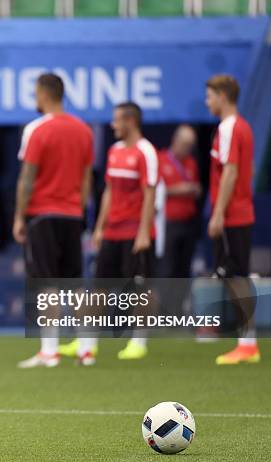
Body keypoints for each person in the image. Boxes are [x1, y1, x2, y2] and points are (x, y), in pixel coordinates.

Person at [13, 73, 94, 368]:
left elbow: (27, 178)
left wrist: (19, 216)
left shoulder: (37, 129)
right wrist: (79, 209)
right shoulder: (84, 130)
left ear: (45, 94)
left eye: (35, 93)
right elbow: (86, 178)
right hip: (72, 214)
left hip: (43, 215)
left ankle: (50, 350)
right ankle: (86, 349)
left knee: (47, 283)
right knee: (75, 283)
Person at [82, 102, 159, 363]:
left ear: (130, 121)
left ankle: (139, 341)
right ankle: (87, 344)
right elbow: (109, 191)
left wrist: (143, 232)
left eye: (117, 120)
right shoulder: (114, 150)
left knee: (138, 288)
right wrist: (100, 226)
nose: (113, 125)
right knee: (99, 287)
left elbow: (150, 194)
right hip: (112, 232)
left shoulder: (146, 152)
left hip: (134, 232)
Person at [205, 74, 259, 365]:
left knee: (235, 276)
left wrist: (218, 213)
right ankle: (246, 341)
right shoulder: (244, 127)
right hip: (240, 211)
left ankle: (247, 342)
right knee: (233, 276)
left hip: (233, 215)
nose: (207, 102)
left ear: (222, 96)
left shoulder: (228, 128)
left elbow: (231, 171)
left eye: (210, 96)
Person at [159, 125, 200, 280]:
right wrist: (178, 190)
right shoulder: (160, 159)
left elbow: (194, 184)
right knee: (167, 267)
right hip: (168, 223)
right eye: (185, 145)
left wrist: (195, 189)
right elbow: (154, 191)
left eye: (190, 146)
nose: (187, 149)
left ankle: (179, 304)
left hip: (188, 222)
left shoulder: (191, 163)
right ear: (175, 140)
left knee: (184, 270)